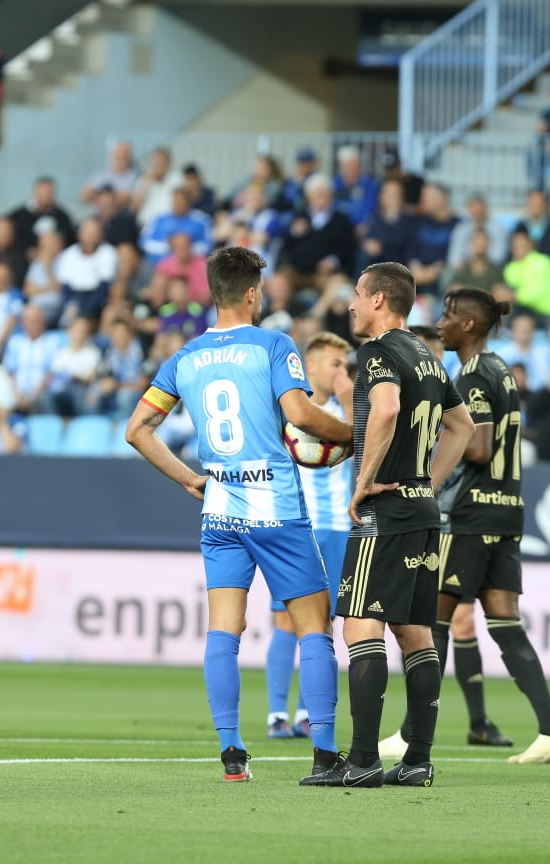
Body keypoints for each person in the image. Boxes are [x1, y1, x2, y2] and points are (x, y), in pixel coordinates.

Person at [124, 246, 352, 784]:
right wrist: (355, 433)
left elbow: (137, 430)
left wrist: (188, 478)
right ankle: (324, 754)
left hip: (220, 508)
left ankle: (232, 753)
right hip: (276, 506)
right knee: (314, 629)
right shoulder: (275, 345)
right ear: (253, 294)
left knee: (223, 633)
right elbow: (299, 414)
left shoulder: (185, 357)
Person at [300, 262, 473, 789]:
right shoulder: (426, 355)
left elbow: (387, 410)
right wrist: (425, 481)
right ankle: (417, 759)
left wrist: (365, 479)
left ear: (378, 300)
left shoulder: (376, 353)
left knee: (359, 626)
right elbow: (462, 428)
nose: (350, 303)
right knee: (415, 632)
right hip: (422, 507)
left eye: (356, 294)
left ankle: (362, 759)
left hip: (384, 512)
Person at [417, 289, 550, 763]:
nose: (439, 323)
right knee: (505, 625)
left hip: (471, 514)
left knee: (435, 622)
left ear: (468, 326)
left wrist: (429, 450)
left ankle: (411, 734)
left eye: (447, 316)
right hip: (506, 509)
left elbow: (479, 447)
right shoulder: (501, 367)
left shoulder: (473, 375)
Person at [265, 331, 353, 740]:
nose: (342, 373)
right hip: (299, 525)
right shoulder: (291, 411)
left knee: (324, 622)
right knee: (285, 619)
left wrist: (350, 397)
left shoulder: (349, 412)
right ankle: (275, 716)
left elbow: (370, 441)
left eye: (345, 366)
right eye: (335, 364)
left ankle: (305, 713)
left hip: (339, 527)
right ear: (311, 365)